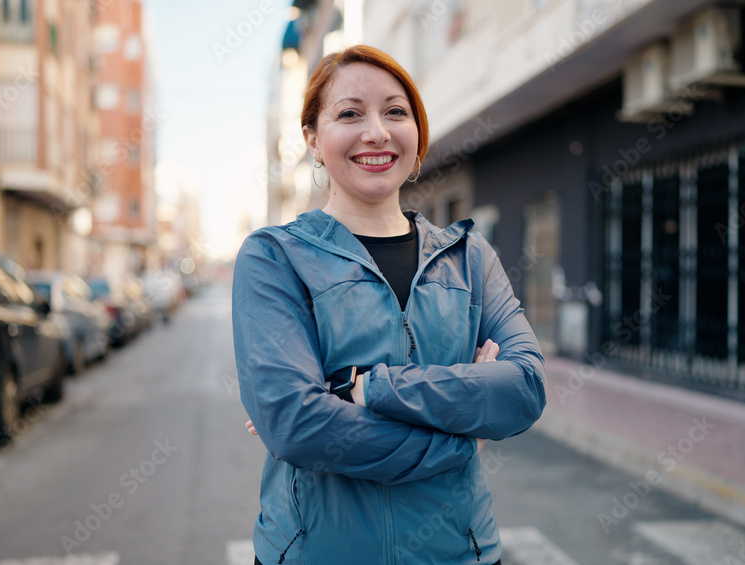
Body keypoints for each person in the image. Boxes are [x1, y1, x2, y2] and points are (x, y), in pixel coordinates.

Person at [232, 44, 546, 565]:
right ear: (312, 138)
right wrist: (463, 436)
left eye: (395, 111)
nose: (376, 131)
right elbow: (297, 424)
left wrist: (364, 387)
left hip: (459, 553)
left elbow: (524, 389)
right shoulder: (274, 257)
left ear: (417, 133)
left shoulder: (469, 258)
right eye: (349, 113)